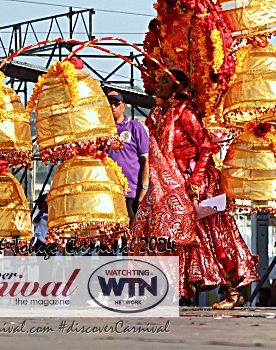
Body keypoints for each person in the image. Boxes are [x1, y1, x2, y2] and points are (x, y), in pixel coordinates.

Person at [133, 69, 258, 308]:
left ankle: (232, 292)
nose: (158, 84)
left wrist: (196, 180)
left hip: (195, 184)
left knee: (209, 238)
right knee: (150, 229)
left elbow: (207, 147)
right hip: (166, 186)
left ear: (177, 86)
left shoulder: (185, 112)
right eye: (157, 80)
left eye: (164, 80)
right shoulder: (156, 113)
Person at [105, 90, 149, 224]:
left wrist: (143, 190)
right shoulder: (102, 130)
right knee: (109, 235)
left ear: (123, 106)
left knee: (131, 234)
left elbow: (146, 160)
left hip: (131, 192)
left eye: (116, 104)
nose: (112, 107)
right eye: (109, 104)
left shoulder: (135, 127)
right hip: (108, 192)